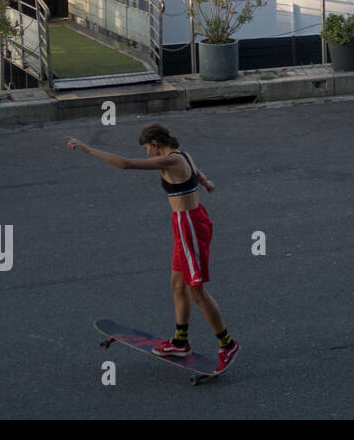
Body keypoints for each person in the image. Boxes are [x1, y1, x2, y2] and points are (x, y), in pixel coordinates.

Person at [66, 123, 240, 373]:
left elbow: (125, 163)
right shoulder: (183, 154)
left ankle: (227, 345)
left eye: (148, 148)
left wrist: (86, 148)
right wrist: (205, 181)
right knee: (178, 285)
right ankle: (180, 342)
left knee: (197, 291)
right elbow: (196, 170)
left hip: (189, 224)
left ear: (156, 144)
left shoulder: (170, 161)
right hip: (186, 222)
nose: (147, 153)